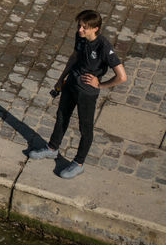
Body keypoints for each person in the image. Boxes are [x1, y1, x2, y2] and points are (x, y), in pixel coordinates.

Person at [27, 10, 128, 179]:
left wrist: (100, 85)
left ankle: (79, 163)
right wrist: (61, 79)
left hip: (87, 93)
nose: (80, 30)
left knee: (85, 128)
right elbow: (74, 57)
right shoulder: (80, 37)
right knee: (61, 117)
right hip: (71, 84)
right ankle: (52, 148)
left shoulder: (104, 47)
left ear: (95, 28)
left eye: (84, 27)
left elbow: (122, 77)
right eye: (79, 26)